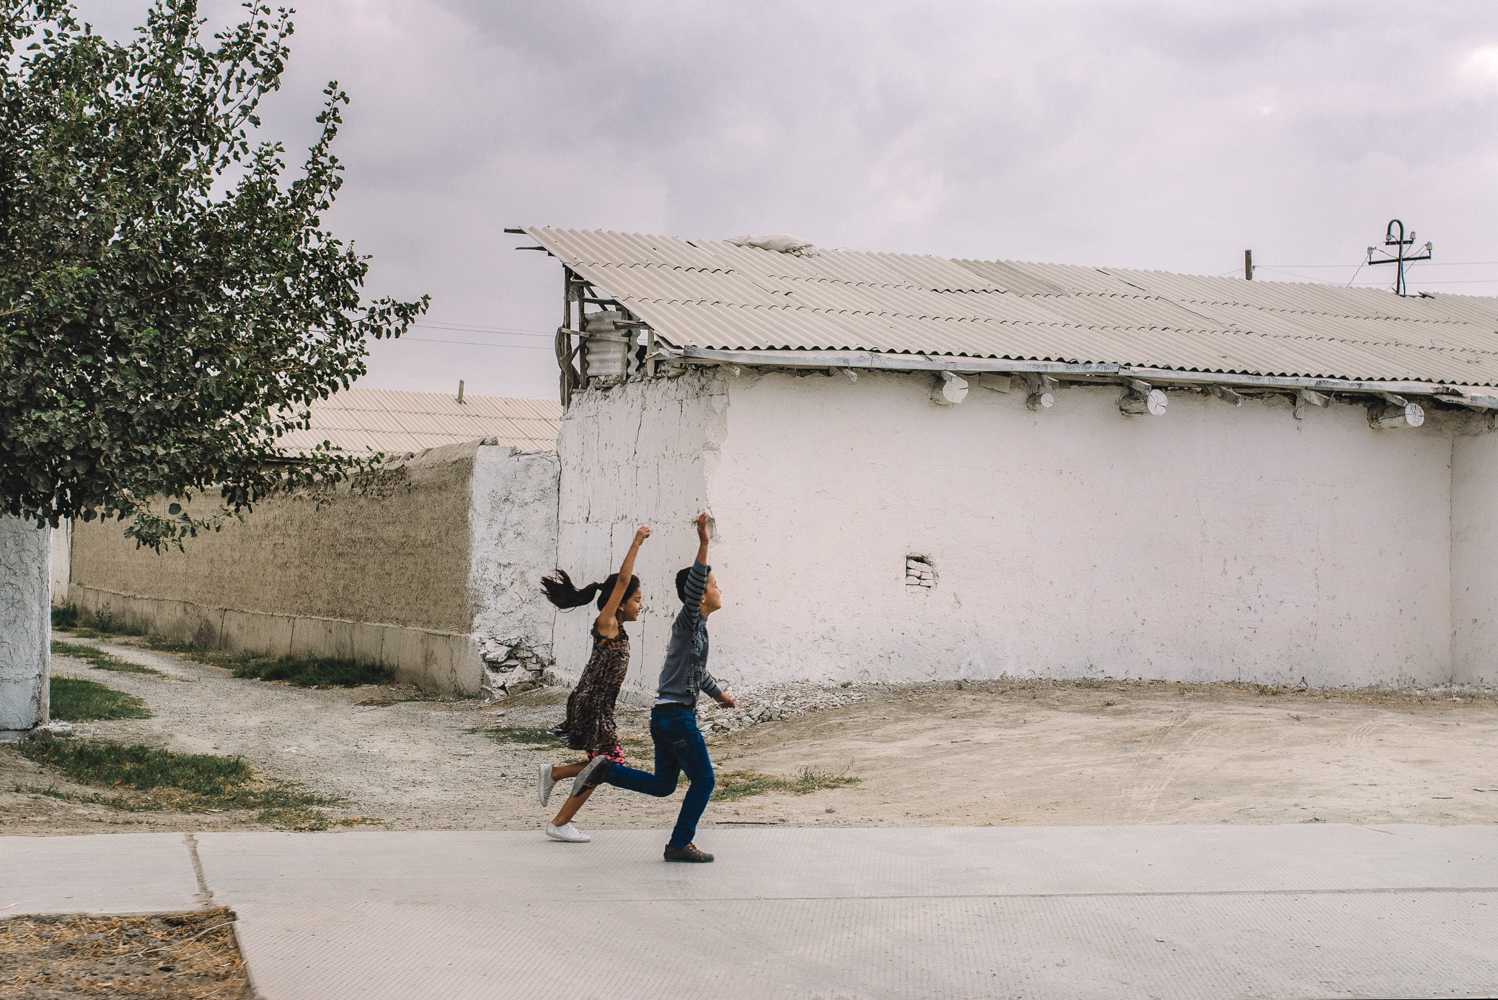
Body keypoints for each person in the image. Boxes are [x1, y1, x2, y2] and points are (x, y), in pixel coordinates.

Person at [577, 512, 735, 863]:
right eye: (713, 585)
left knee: (665, 785)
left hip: (665, 717)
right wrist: (704, 543)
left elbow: (697, 673)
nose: (718, 588)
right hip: (677, 719)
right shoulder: (689, 619)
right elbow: (694, 585)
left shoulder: (698, 630)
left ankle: (607, 770)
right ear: (698, 595)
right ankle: (679, 844)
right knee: (704, 781)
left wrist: (719, 694)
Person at [535, 525, 650, 843]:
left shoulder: (619, 629)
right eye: (637, 600)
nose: (641, 606)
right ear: (621, 602)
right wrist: (636, 542)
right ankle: (559, 823)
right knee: (607, 764)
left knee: (598, 763)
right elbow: (624, 580)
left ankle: (554, 773)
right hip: (592, 703)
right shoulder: (607, 623)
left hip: (597, 704)